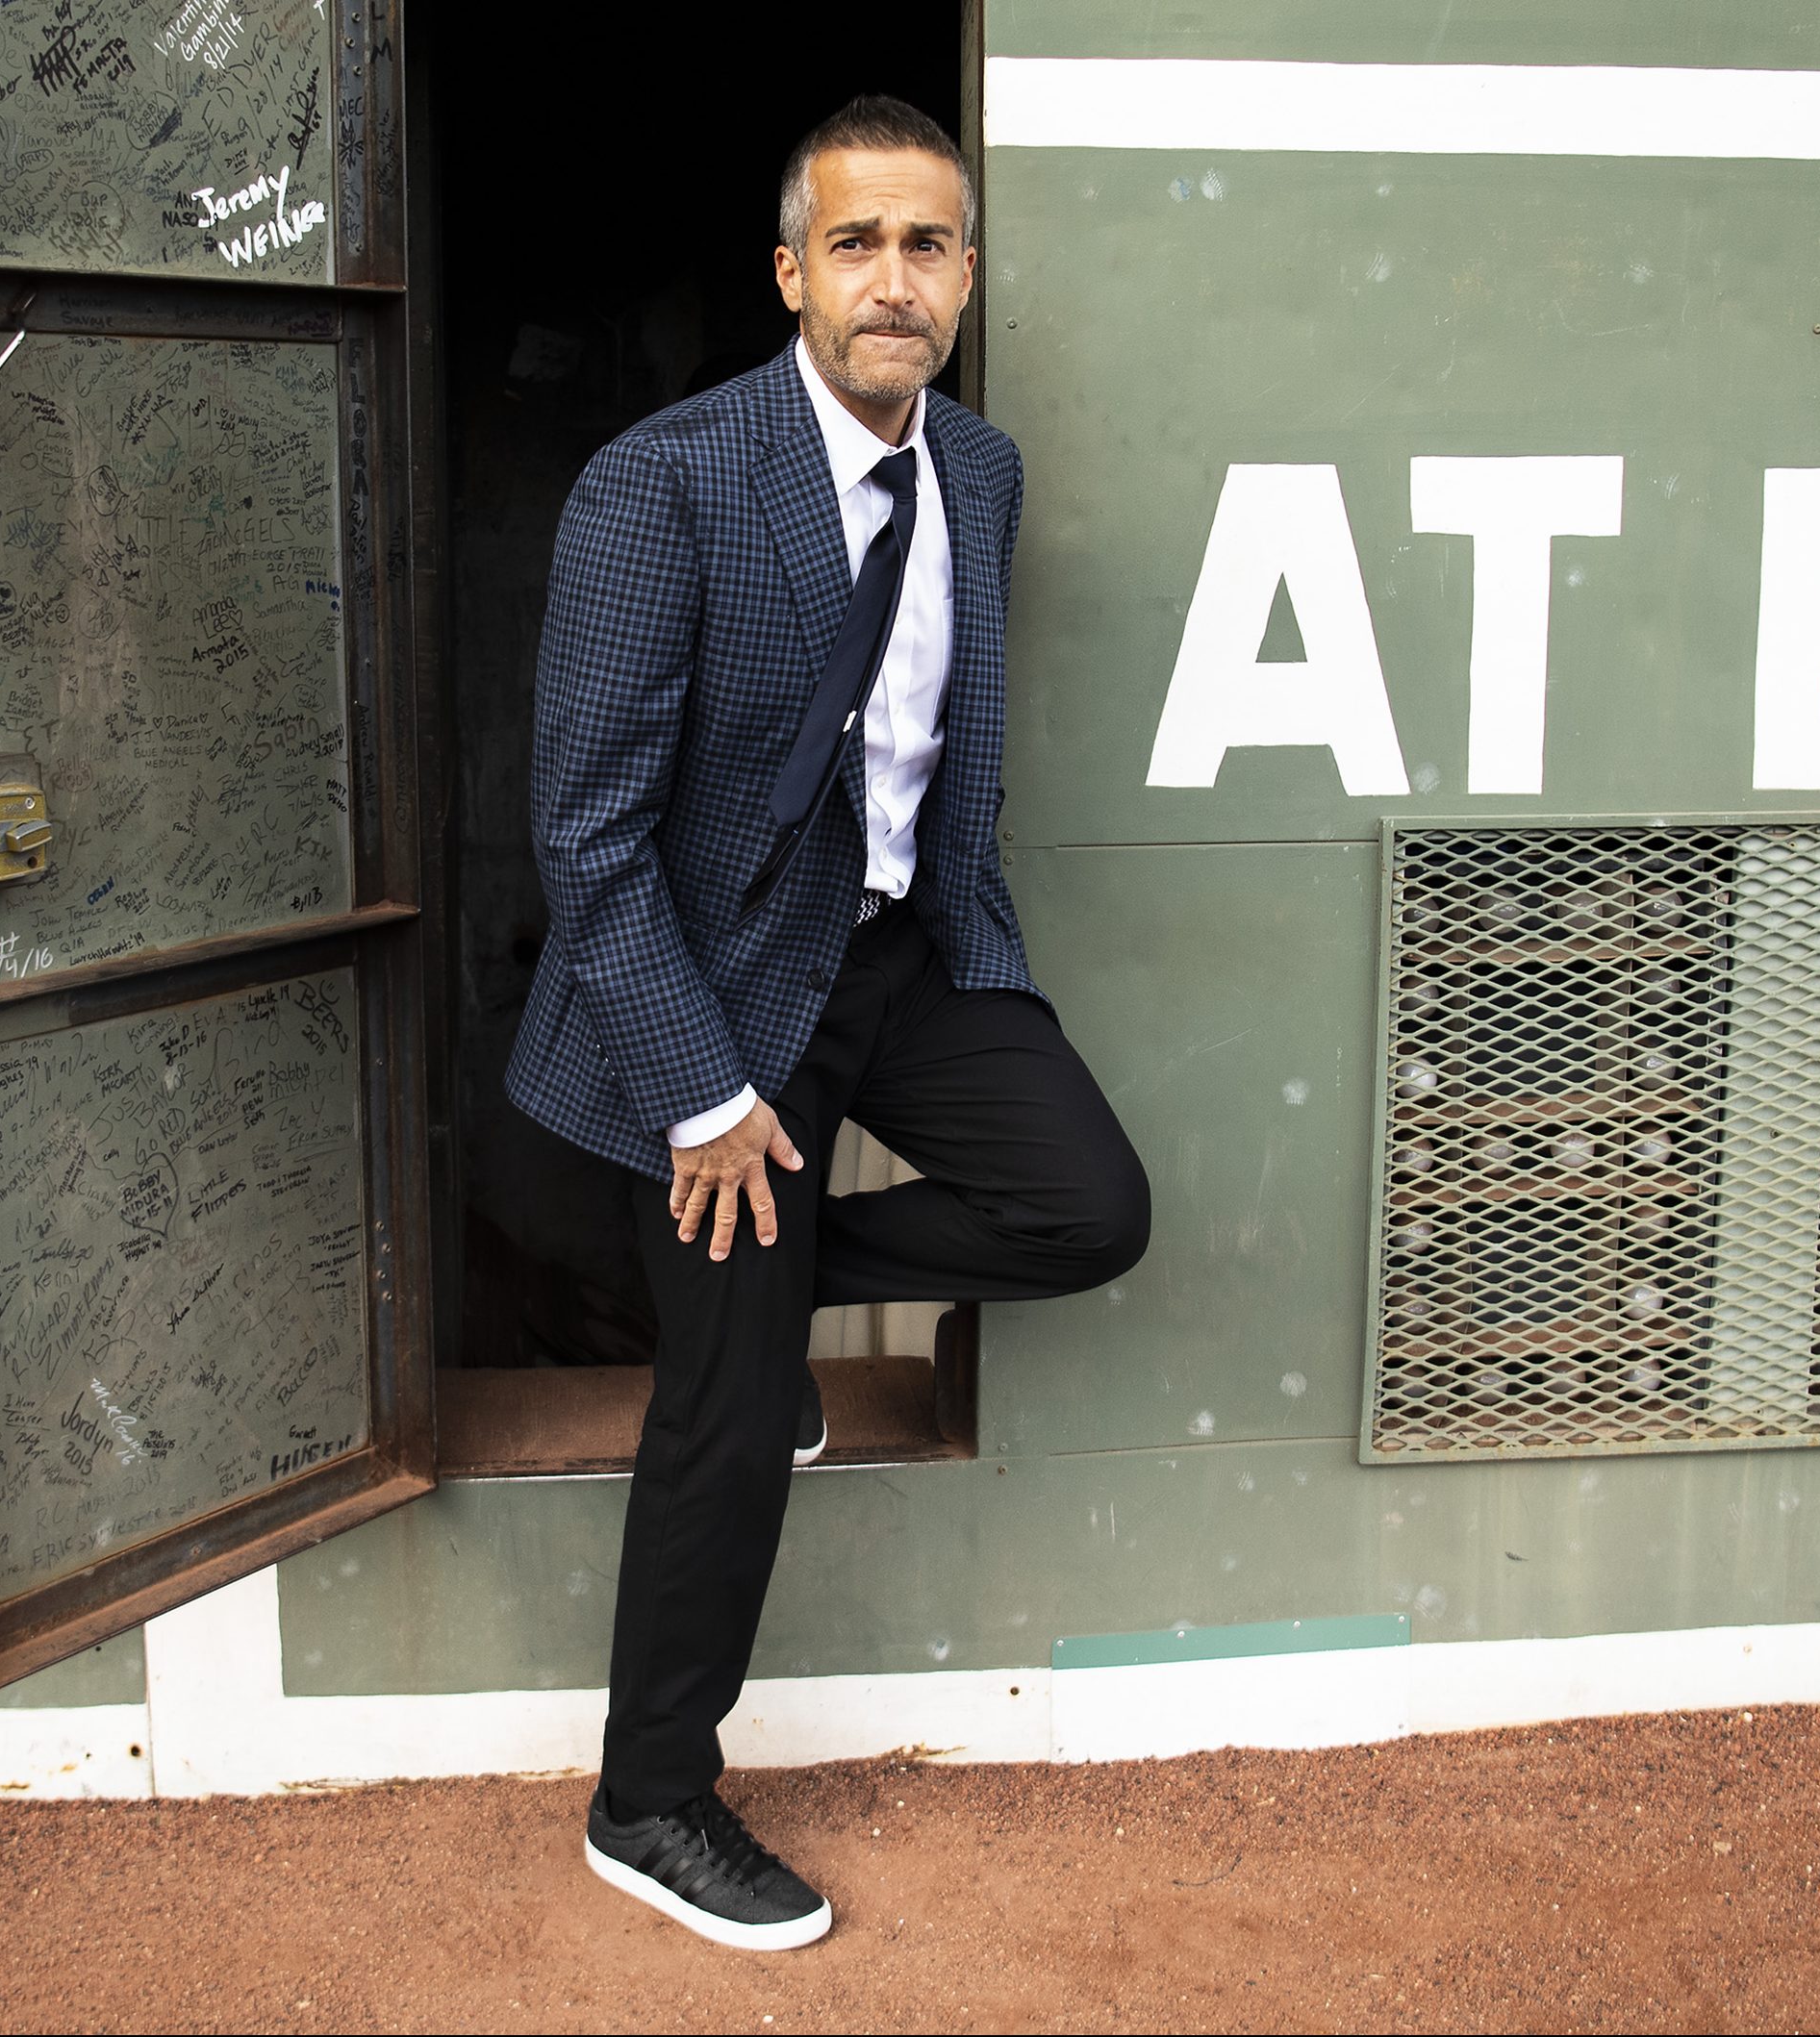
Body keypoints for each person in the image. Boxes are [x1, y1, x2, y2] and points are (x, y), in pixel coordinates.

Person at [505, 94, 1150, 1949]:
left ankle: (778, 1279)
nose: (893, 280)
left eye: (926, 244)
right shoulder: (663, 482)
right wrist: (701, 1094)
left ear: (966, 275)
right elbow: (589, 836)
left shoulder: (983, 473)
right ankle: (646, 1799)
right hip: (708, 991)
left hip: (897, 954)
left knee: (1087, 1208)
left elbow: (943, 747)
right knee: (721, 1409)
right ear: (790, 273)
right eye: (854, 243)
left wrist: (972, 942)